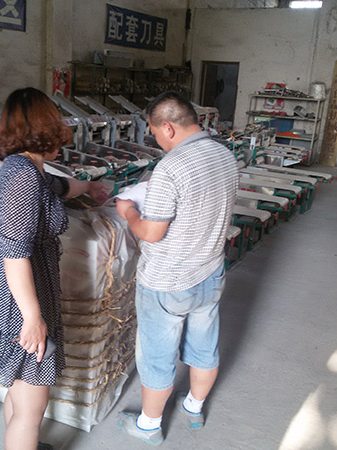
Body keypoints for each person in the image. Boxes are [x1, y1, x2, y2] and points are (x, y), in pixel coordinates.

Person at [0, 87, 110, 450]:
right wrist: (32, 318)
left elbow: (61, 187)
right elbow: (14, 254)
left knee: (20, 388)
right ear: (44, 128)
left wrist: (91, 186)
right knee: (32, 405)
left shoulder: (31, 170)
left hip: (24, 291)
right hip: (15, 301)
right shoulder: (22, 176)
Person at [115, 91, 239, 445]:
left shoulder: (170, 167)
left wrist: (129, 211)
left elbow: (151, 233)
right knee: (204, 346)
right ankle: (194, 407)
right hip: (211, 271)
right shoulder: (224, 155)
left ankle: (149, 425)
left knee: (157, 356)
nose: (157, 140)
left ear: (168, 127)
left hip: (167, 281)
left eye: (155, 133)